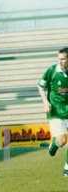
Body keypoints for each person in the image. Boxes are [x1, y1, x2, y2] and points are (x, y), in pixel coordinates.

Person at [38, 47, 68, 175]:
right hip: (55, 111)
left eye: (63, 59)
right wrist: (45, 101)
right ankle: (53, 145)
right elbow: (40, 86)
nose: (61, 61)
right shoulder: (52, 71)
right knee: (62, 140)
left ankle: (67, 168)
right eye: (59, 59)